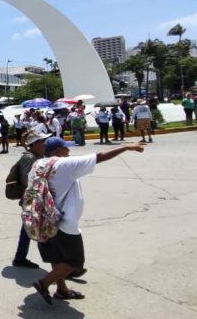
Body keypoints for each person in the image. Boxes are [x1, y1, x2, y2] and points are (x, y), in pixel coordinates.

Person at [31, 138, 144, 304]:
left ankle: (61, 290)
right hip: (63, 222)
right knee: (74, 261)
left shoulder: (38, 165)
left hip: (43, 219)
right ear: (58, 151)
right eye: (65, 148)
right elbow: (99, 156)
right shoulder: (64, 164)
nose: (69, 152)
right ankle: (44, 283)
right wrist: (126, 147)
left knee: (57, 257)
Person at [11, 130, 50, 269]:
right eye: (42, 141)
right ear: (34, 144)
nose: (45, 144)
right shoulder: (29, 158)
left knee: (29, 229)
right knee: (44, 229)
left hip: (36, 198)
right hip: (32, 199)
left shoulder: (39, 156)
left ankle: (20, 257)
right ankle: (62, 265)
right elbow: (26, 179)